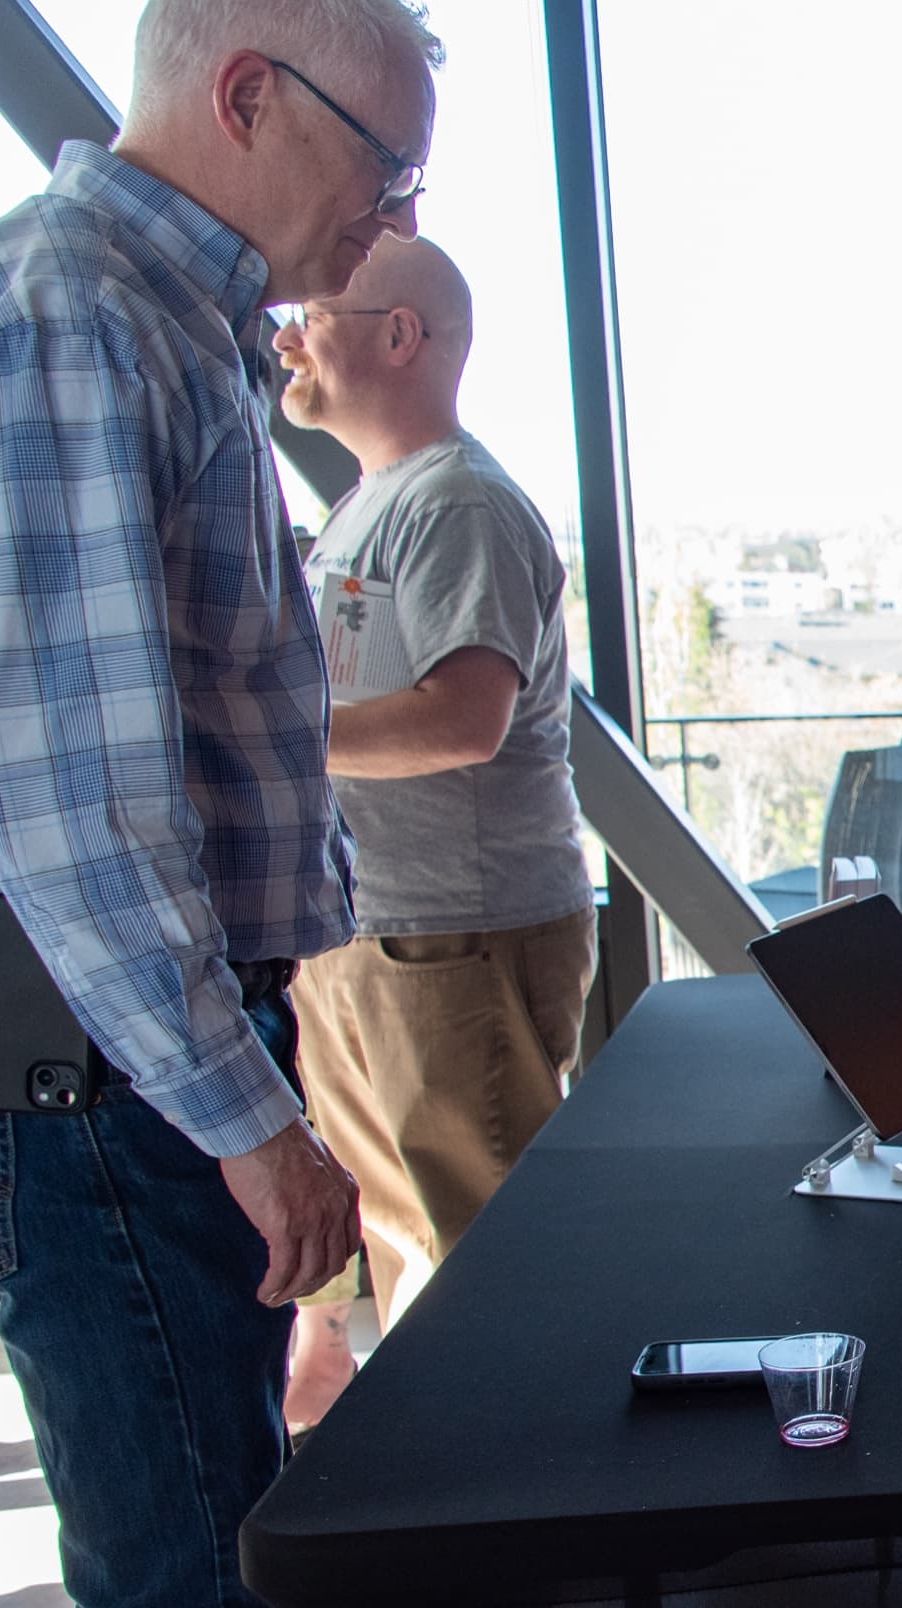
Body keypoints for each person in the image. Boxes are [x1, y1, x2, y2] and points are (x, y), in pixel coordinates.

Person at [0, 0, 442, 1608]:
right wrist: (245, 1113)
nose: (390, 224)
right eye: (385, 170)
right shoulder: (67, 319)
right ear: (242, 95)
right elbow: (63, 801)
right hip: (83, 1049)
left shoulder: (158, 331)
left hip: (115, 1035)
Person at [273, 233, 594, 1426]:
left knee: (475, 1257)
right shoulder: (374, 502)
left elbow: (465, 718)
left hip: (454, 934)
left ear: (399, 336)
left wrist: (272, 738)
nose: (288, 336)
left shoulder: (455, 503)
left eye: (314, 313)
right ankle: (452, 1511)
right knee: (409, 1240)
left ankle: (515, 1518)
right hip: (384, 931)